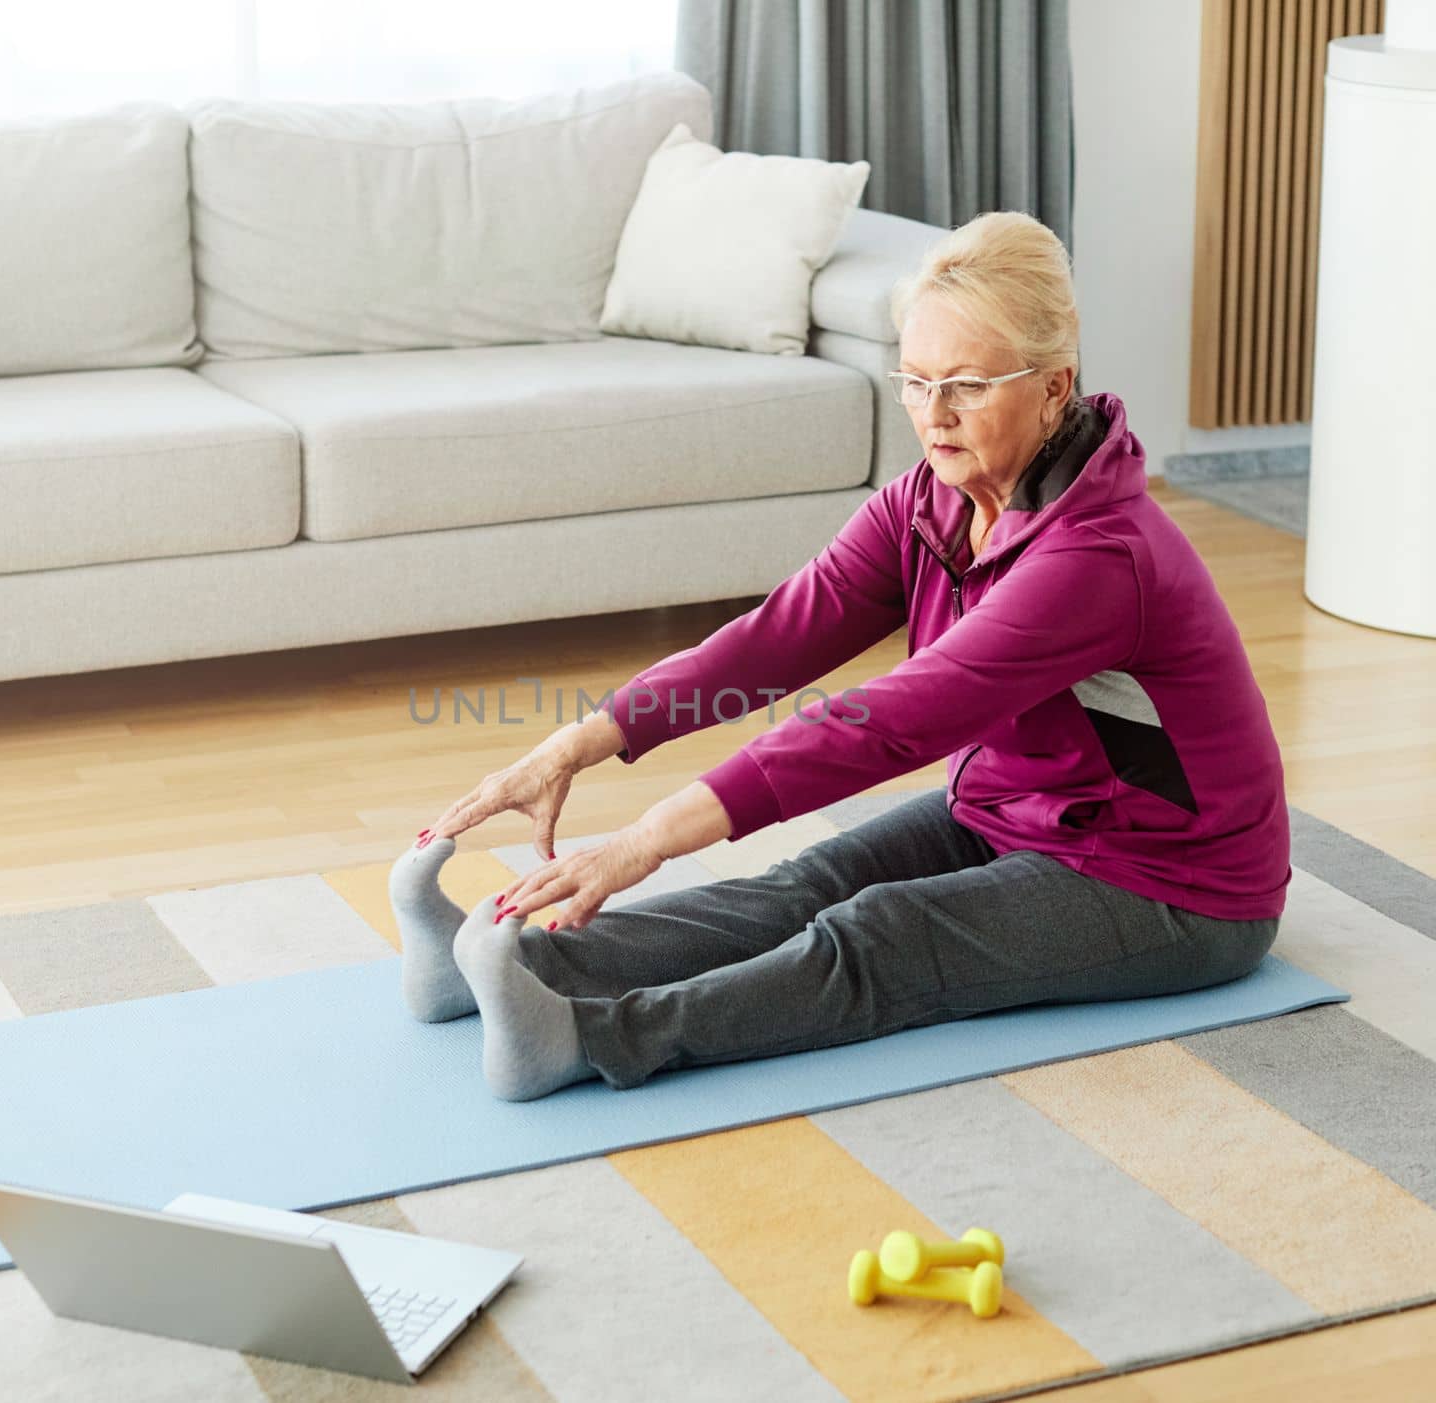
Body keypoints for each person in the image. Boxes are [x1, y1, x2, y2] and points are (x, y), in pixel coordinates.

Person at [389, 209, 1291, 1102]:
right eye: (915, 380)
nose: (932, 416)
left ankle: (583, 1041)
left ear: (1055, 387)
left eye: (968, 386)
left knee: (879, 931)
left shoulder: (1099, 558)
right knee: (803, 886)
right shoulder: (926, 504)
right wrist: (577, 745)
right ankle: (501, 967)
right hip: (1010, 811)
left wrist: (641, 842)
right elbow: (776, 638)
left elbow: (890, 722)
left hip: (1171, 881)